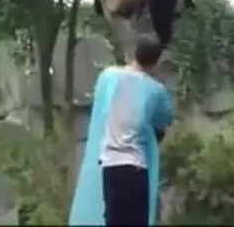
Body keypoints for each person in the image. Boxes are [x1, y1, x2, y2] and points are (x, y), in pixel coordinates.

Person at [68, 33, 174, 226]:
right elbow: (164, 120)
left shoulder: (108, 77)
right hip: (135, 167)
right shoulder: (156, 90)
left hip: (109, 167)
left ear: (134, 53)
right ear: (156, 62)